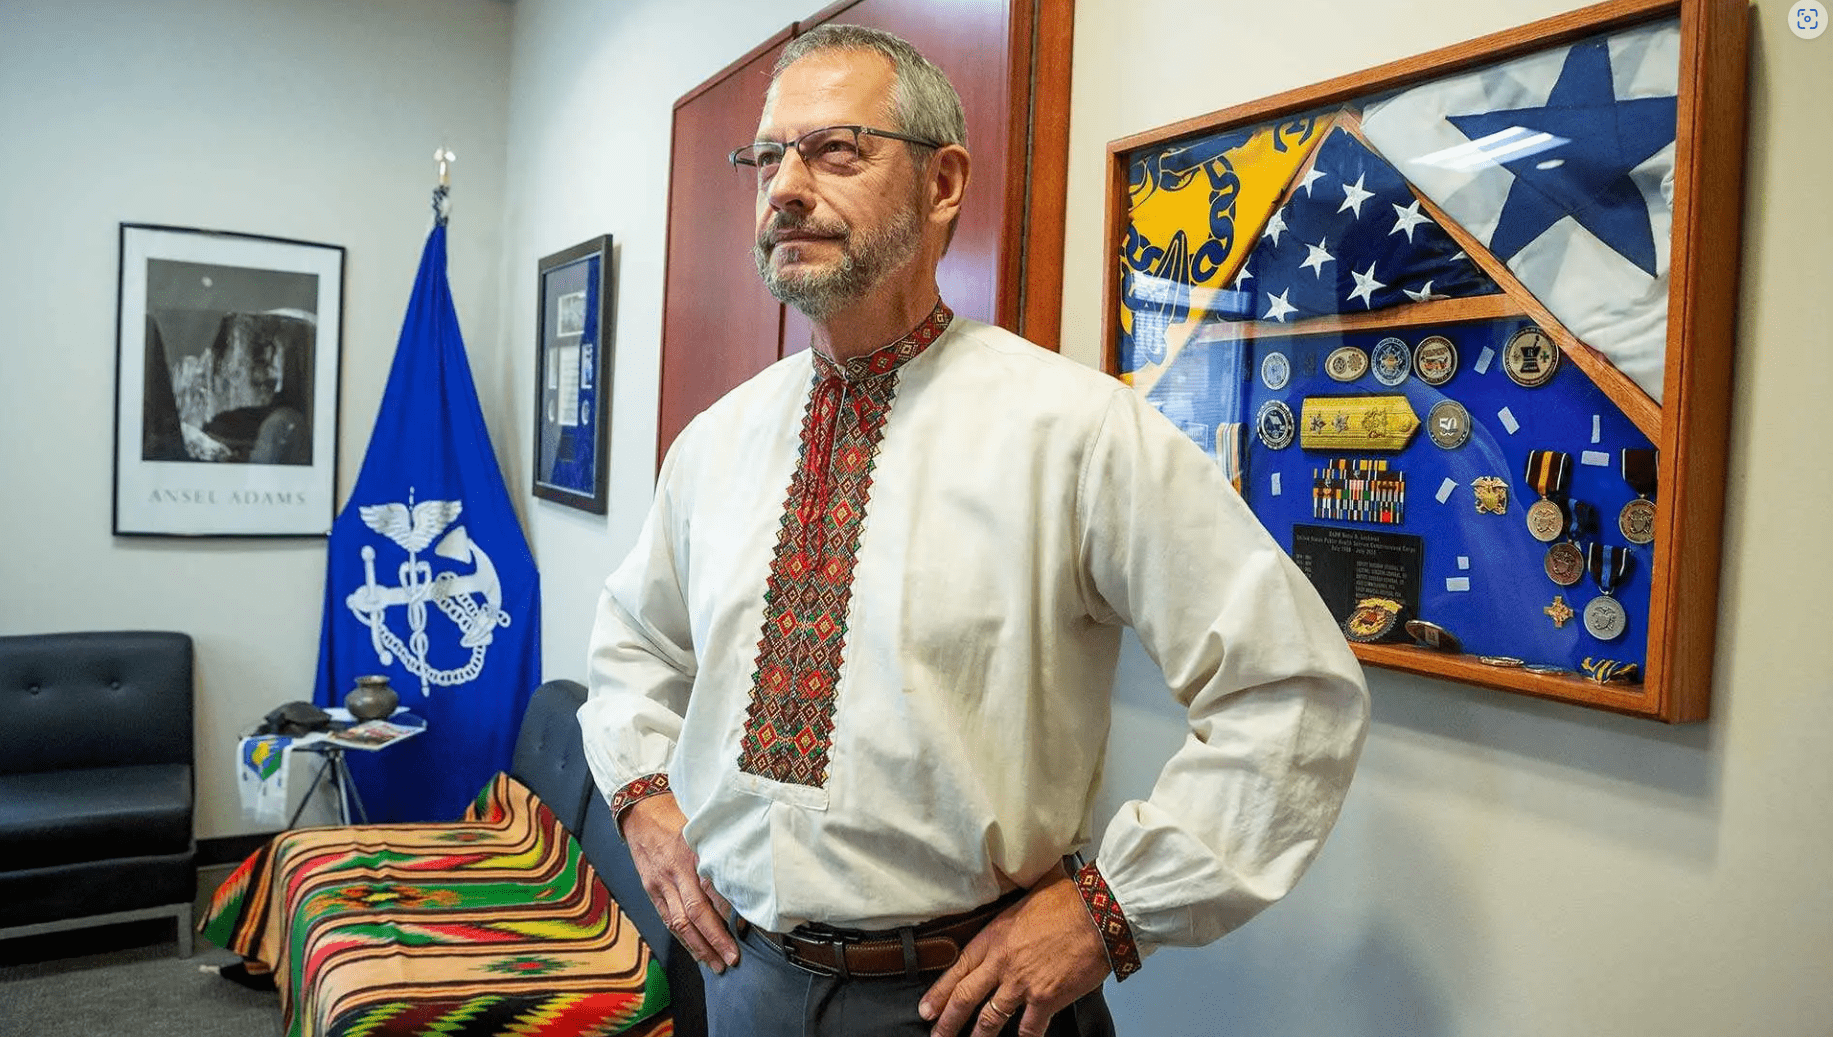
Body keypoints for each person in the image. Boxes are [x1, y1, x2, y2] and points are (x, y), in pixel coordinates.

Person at [579, 24, 1370, 1037]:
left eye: (834, 149)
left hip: (974, 1006)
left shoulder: (1076, 432)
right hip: (746, 985)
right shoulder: (716, 443)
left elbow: (1292, 690)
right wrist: (645, 802)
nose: (784, 185)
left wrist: (1109, 909)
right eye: (767, 155)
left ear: (942, 182)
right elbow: (635, 646)